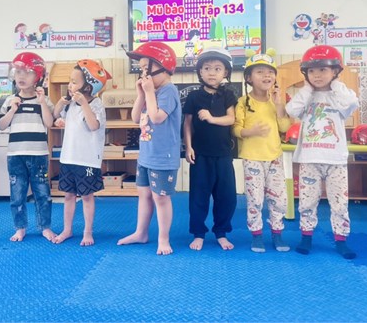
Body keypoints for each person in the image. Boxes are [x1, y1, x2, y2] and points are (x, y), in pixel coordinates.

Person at [285, 45, 359, 259]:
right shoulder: (305, 96)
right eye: (312, 71)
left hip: (336, 159)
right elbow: (291, 110)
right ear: (305, 73)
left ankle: (341, 239)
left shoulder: (340, 95)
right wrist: (307, 89)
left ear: (335, 71)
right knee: (307, 201)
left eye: (323, 70)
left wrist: (335, 84)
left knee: (339, 203)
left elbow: (352, 103)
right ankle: (306, 236)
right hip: (309, 158)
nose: (317, 75)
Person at [117, 42, 181, 255]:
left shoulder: (169, 91)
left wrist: (149, 93)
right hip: (146, 155)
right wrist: (141, 95)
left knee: (160, 198)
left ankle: (163, 239)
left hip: (163, 157)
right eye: (141, 68)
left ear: (163, 66)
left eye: (147, 68)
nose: (143, 73)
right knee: (144, 194)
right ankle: (141, 233)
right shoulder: (151, 91)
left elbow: (157, 117)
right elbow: (136, 118)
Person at [233, 49, 292, 253]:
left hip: (274, 156)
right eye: (259, 72)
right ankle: (256, 235)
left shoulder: (277, 101)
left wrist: (279, 105)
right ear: (249, 78)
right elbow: (235, 129)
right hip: (252, 158)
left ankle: (277, 234)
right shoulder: (243, 102)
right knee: (255, 199)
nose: (266, 75)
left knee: (279, 199)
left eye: (270, 72)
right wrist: (250, 131)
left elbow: (284, 127)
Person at [183, 47, 238, 251]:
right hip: (201, 155)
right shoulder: (194, 96)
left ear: (225, 72)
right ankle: (198, 233)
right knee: (198, 197)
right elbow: (187, 123)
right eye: (207, 68)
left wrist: (211, 118)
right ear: (200, 72)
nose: (212, 73)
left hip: (223, 154)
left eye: (217, 68)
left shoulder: (228, 95)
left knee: (227, 197)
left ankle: (221, 232)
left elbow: (231, 119)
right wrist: (188, 147)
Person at [52, 59, 111, 246]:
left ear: (88, 86)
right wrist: (61, 104)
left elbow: (93, 125)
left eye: (74, 82)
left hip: (87, 160)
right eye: (69, 81)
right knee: (68, 195)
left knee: (86, 196)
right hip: (69, 157)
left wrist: (84, 103)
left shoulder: (96, 104)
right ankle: (67, 229)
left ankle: (87, 232)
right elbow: (55, 115)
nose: (70, 85)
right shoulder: (70, 103)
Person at [0, 52, 55, 243]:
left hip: (39, 154)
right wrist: (12, 110)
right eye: (18, 72)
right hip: (16, 155)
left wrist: (42, 102)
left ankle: (45, 227)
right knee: (17, 194)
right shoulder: (10, 100)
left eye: (28, 72)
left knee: (43, 194)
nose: (21, 76)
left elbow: (49, 123)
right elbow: (2, 125)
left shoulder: (43, 100)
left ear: (38, 76)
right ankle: (20, 228)